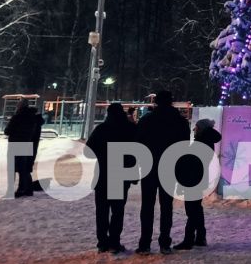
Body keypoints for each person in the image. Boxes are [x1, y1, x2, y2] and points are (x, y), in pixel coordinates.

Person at [136, 91, 190, 255]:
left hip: (149, 166)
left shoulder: (147, 120)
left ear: (156, 102)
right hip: (169, 166)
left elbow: (138, 143)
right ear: (171, 102)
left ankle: (145, 243)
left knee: (147, 206)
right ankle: (164, 243)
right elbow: (184, 146)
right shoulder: (180, 122)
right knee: (166, 207)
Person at [87, 102, 138, 254]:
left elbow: (88, 150)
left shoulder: (101, 129)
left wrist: (102, 155)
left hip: (103, 175)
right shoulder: (130, 129)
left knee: (102, 210)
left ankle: (102, 242)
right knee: (117, 211)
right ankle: (115, 242)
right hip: (121, 175)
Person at [175, 119, 222, 251]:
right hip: (199, 179)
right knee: (196, 208)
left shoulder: (202, 142)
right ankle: (200, 237)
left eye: (196, 127)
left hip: (193, 179)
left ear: (202, 129)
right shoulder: (206, 141)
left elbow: (191, 163)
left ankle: (188, 239)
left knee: (192, 210)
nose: (194, 129)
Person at [5, 101, 44, 197]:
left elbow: (7, 131)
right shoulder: (33, 117)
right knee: (24, 168)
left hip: (15, 144)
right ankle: (27, 189)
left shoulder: (17, 117)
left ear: (19, 107)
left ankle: (14, 190)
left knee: (12, 168)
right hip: (27, 144)